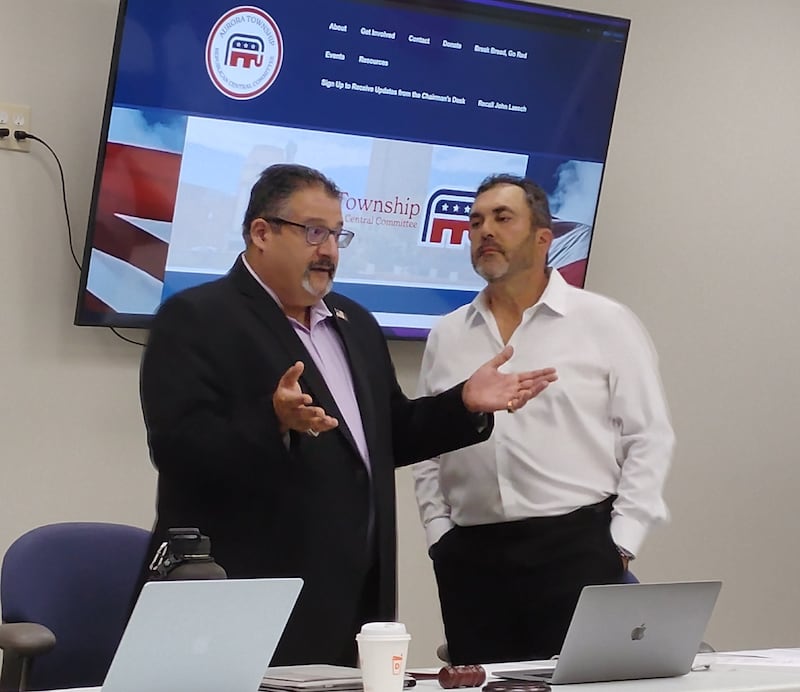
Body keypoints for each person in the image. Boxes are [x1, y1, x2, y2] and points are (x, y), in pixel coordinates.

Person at [137, 164, 557, 667]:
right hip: (249, 599)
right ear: (261, 233)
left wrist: (462, 402)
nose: (329, 250)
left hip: (356, 598)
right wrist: (273, 422)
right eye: (314, 232)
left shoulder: (353, 322)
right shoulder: (197, 318)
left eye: (338, 234)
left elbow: (388, 436)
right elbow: (178, 450)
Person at [413, 173, 675, 665]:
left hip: (576, 549)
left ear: (542, 237)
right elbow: (429, 445)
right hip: (471, 558)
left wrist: (622, 542)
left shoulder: (604, 322)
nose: (484, 230)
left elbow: (649, 436)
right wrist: (438, 534)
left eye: (502, 218)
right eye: (475, 221)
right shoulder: (447, 336)